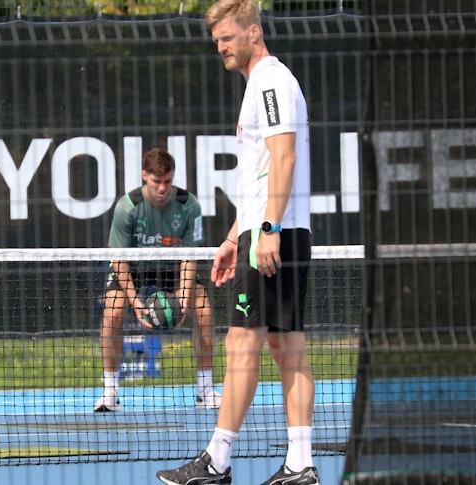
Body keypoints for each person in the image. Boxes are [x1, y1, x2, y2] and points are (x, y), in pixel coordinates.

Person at [156, 1, 316, 484]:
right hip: (267, 230)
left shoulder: (270, 79)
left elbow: (284, 158)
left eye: (227, 38)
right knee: (286, 347)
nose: (221, 47)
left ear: (252, 31)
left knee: (241, 343)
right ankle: (300, 464)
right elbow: (261, 172)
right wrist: (233, 237)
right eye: (217, 41)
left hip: (275, 234)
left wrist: (266, 231)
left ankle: (216, 462)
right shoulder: (259, 86)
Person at [94, 147, 220, 412]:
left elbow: (189, 256)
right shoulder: (127, 208)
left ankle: (206, 391)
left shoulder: (189, 205)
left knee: (204, 311)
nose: (162, 188)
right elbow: (119, 260)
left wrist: (184, 297)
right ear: (144, 176)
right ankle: (110, 393)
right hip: (134, 269)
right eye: (156, 181)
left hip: (172, 266)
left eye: (167, 181)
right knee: (112, 313)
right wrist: (136, 304)